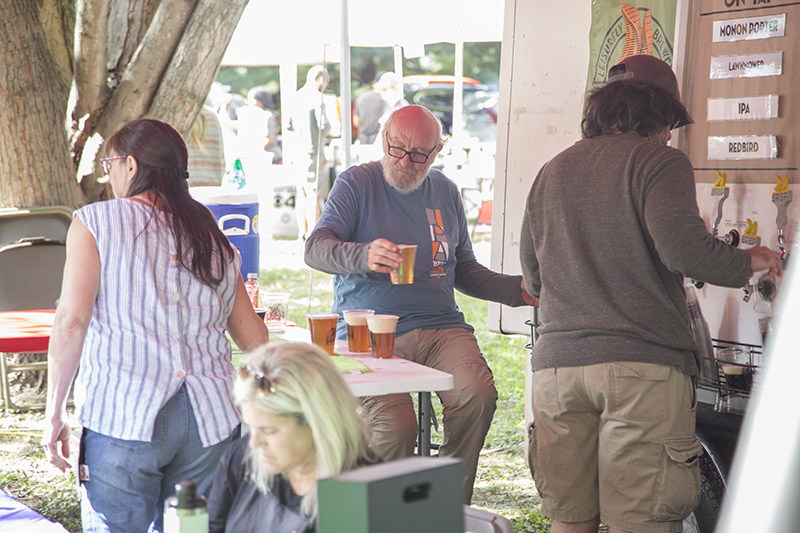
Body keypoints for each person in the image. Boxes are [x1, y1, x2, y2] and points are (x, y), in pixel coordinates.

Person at [519, 54, 782, 533]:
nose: (669, 134)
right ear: (657, 115)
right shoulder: (661, 162)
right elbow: (686, 252)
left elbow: (533, 279)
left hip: (557, 371)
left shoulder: (552, 170)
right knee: (638, 523)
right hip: (640, 372)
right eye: (669, 124)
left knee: (569, 521)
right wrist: (751, 260)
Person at [41, 118, 270, 533]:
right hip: (211, 417)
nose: (108, 175)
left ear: (130, 166)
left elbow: (72, 321)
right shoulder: (211, 236)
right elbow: (254, 337)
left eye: (109, 163)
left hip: (125, 409)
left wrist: (54, 410)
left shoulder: (95, 221)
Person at [304, 104, 536, 504]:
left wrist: (519, 290)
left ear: (437, 151)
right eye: (397, 148)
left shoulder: (445, 191)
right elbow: (316, 249)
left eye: (419, 154)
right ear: (383, 139)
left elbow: (462, 269)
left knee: (477, 395)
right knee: (396, 425)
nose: (405, 161)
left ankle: (443, 505)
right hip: (372, 330)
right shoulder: (356, 183)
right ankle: (369, 514)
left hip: (440, 325)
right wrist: (363, 255)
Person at [207, 342, 378, 532]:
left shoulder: (369, 497)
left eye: (270, 431)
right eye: (252, 427)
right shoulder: (241, 459)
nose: (254, 443)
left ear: (317, 423)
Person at [287, 66, 331, 239]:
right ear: (320, 78)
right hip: (312, 151)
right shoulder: (318, 98)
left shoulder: (296, 96)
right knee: (313, 193)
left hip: (296, 152)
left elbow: (290, 126)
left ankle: (302, 232)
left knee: (301, 193)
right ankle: (314, 233)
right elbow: (324, 126)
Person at [187, 105, 226, 187]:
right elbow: (221, 157)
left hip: (187, 187)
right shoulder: (212, 116)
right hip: (213, 186)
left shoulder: (174, 115)